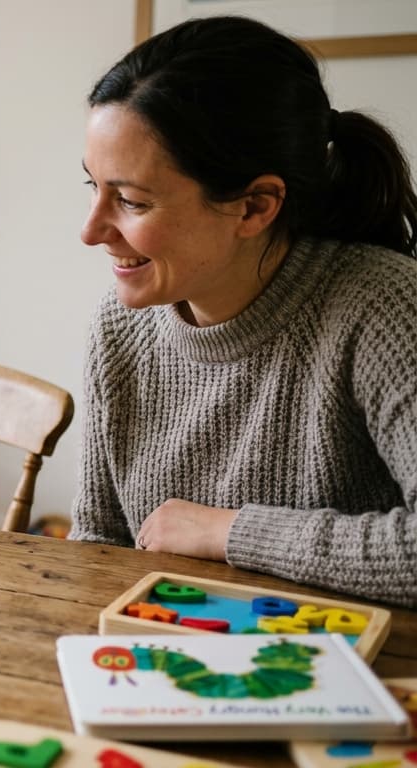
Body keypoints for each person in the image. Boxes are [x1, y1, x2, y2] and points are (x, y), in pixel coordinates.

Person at [70, 15, 417, 608]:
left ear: (255, 206)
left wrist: (228, 531)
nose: (91, 230)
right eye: (93, 188)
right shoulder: (121, 326)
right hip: (166, 670)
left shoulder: (383, 307)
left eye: (130, 200)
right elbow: (98, 543)